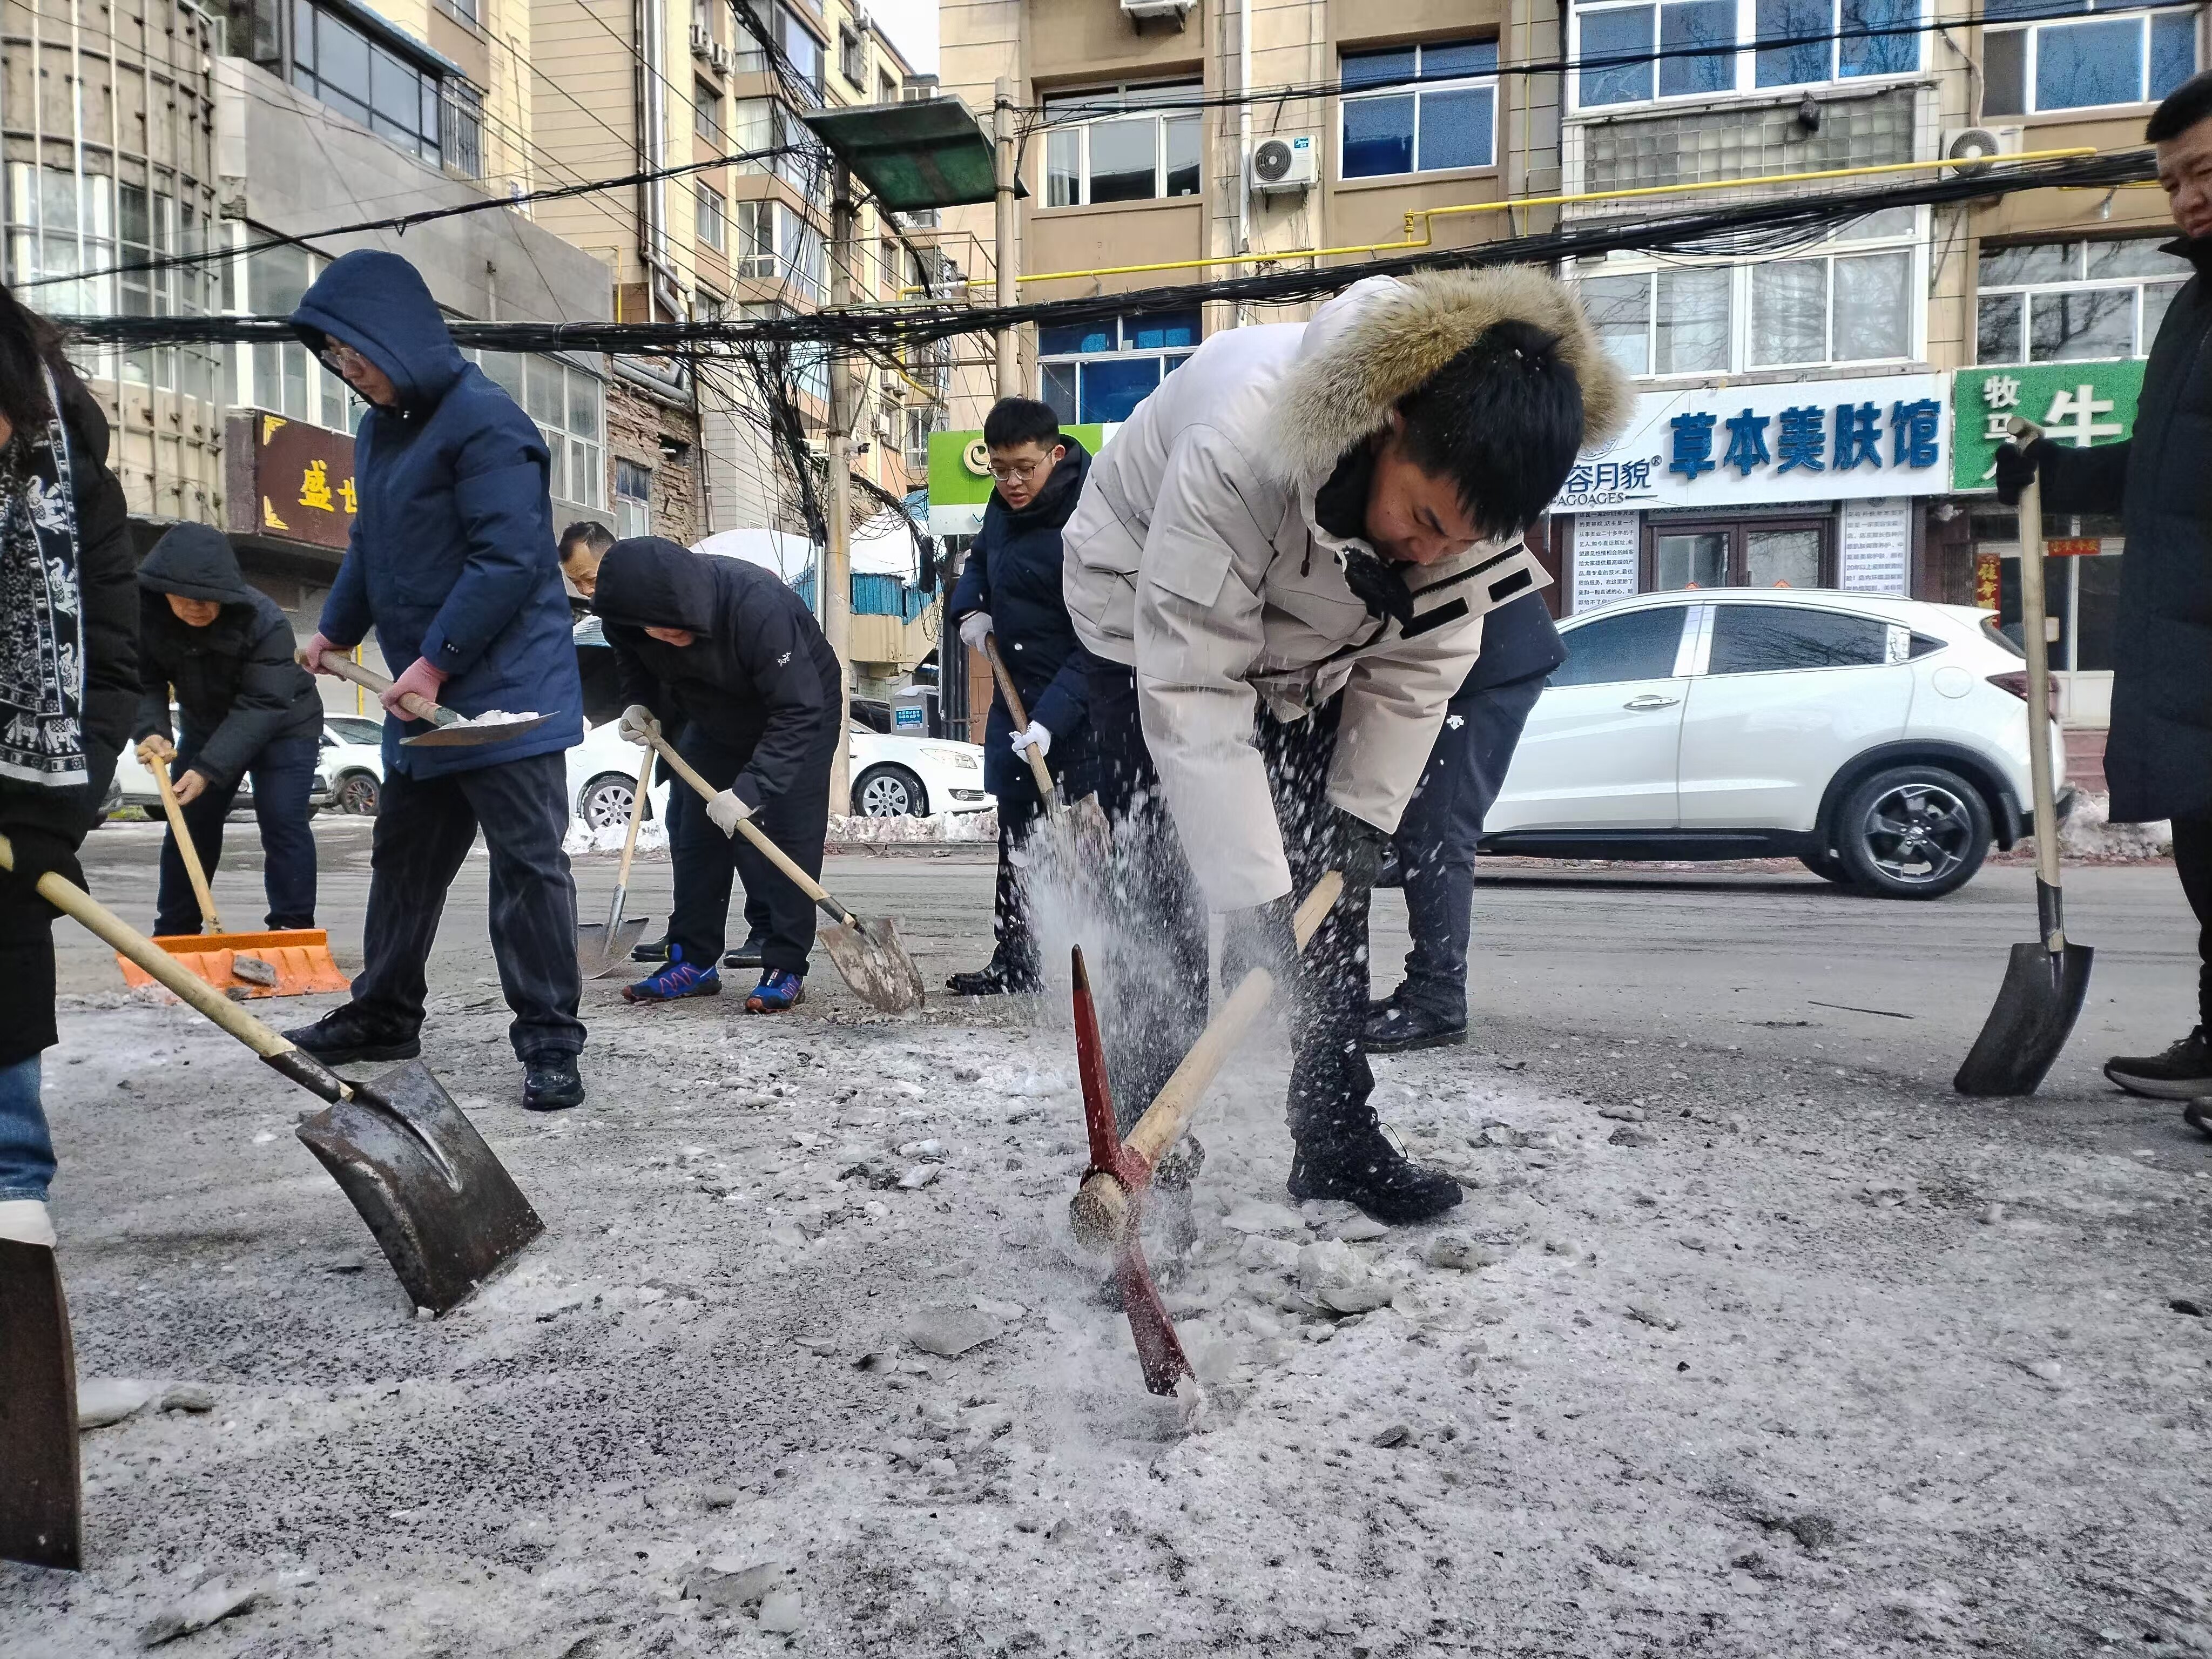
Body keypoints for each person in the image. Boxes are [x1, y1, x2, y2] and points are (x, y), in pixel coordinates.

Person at [1062, 267, 1628, 1223]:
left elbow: (1422, 663)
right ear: (1390, 421)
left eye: (1463, 540)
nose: (1434, 550)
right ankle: (1149, 1157)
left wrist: (1362, 820)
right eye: (1425, 520)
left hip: (1314, 643)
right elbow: (1194, 684)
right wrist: (1253, 896)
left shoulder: (1472, 506)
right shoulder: (1241, 441)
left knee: (1332, 897)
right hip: (1142, 621)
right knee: (1166, 889)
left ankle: (1333, 1135)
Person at [280, 249, 589, 1112]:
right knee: (405, 861)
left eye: (356, 352)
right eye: (334, 357)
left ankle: (551, 1041)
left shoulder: (488, 423)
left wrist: (434, 660)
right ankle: (385, 1012)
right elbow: (371, 545)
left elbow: (506, 561)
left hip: (506, 697)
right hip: (423, 702)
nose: (347, 369)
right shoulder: (382, 427)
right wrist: (337, 626)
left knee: (528, 869)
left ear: (398, 335)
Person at [1995, 72, 2212, 1130]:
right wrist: (2062, 473)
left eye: (2204, 171)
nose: (2186, 198)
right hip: (2186, 643)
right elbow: (2168, 465)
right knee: (2208, 852)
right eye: (2172, 181)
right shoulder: (2194, 306)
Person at [0, 283, 140, 1246]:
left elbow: (110, 657)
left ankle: (16, 1232)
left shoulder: (66, 475)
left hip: (22, 783)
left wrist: (65, 801)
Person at [594, 536, 841, 1012]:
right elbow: (634, 659)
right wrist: (639, 700)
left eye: (679, 630)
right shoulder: (625, 619)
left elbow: (799, 710)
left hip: (798, 710)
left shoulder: (756, 608)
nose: (668, 638)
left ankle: (786, 963)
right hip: (711, 714)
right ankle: (693, 960)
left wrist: (751, 789)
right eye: (658, 631)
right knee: (695, 833)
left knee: (789, 836)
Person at [559, 518, 775, 972]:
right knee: (686, 827)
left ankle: (768, 928)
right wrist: (637, 705)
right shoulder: (614, 612)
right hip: (678, 726)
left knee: (745, 824)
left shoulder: (671, 586)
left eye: (591, 578)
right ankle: (688, 932)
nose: (587, 591)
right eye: (578, 583)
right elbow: (630, 663)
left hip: (729, 724)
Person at [1364, 591, 1564, 1053]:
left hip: (1485, 661)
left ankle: (1438, 999)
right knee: (1424, 824)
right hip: (1463, 653)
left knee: (1440, 826)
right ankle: (1431, 990)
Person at [944, 397, 1094, 995]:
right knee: (1020, 841)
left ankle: (1106, 963)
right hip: (1016, 693)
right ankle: (1017, 960)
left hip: (1083, 707)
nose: (1010, 482)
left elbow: (1106, 637)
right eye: (999, 468)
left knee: (1086, 843)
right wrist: (971, 610)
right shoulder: (1003, 506)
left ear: (1055, 456)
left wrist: (1055, 720)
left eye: (1023, 468)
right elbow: (981, 559)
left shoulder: (1093, 516)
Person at [131, 524, 324, 938]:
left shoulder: (264, 620)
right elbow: (142, 681)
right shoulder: (149, 618)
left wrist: (207, 769)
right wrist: (151, 731)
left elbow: (263, 704)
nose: (197, 608)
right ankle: (176, 931)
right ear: (163, 590)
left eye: (208, 599)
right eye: (185, 598)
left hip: (285, 725)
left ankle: (292, 927)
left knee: (281, 818)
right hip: (207, 723)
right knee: (190, 819)